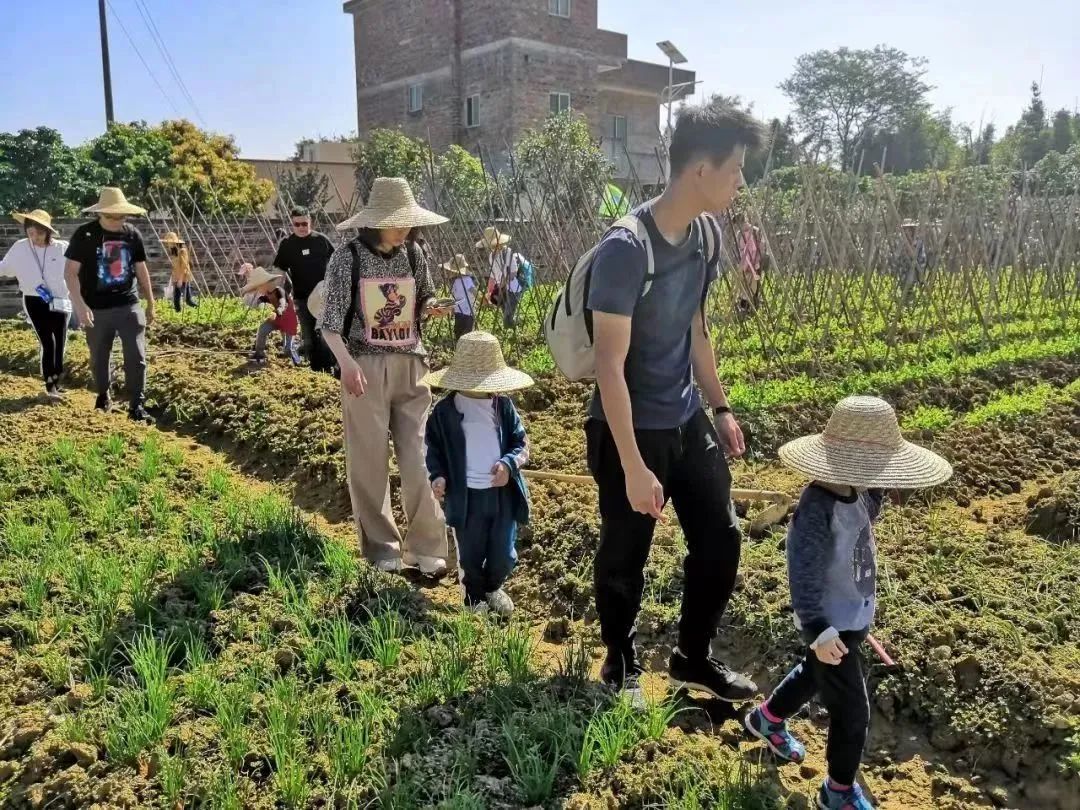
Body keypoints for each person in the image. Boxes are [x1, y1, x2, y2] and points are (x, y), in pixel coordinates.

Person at [585, 101, 765, 701]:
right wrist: (634, 465)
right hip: (629, 426)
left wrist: (721, 407)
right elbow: (609, 363)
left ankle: (692, 656)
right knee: (626, 552)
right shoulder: (626, 249)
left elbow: (697, 331)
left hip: (686, 417)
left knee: (720, 536)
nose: (742, 180)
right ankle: (620, 661)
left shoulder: (707, 236)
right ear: (699, 171)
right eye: (736, 168)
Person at [744, 396, 951, 810]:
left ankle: (765, 720)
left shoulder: (859, 490)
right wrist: (818, 629)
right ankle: (836, 792)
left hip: (850, 620)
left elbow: (870, 512)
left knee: (811, 673)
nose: (881, 479)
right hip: (830, 623)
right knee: (853, 715)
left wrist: (889, 485)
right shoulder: (816, 510)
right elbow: (802, 576)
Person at [320, 177, 456, 575]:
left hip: (412, 364)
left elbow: (425, 295)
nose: (404, 230)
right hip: (366, 366)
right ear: (375, 220)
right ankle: (382, 549)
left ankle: (427, 545)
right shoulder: (348, 258)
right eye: (397, 222)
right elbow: (330, 323)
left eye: (408, 222)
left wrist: (431, 308)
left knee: (421, 458)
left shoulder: (415, 254)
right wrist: (346, 364)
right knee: (369, 460)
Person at [423, 331, 532, 616]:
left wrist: (508, 465)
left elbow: (521, 444)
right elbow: (432, 448)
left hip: (501, 495)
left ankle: (493, 587)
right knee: (470, 552)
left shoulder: (503, 408)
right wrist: (438, 476)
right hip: (466, 496)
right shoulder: (445, 412)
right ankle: (473, 597)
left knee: (503, 552)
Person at [64, 187, 157, 423]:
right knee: (98, 357)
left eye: (121, 217)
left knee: (136, 356)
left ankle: (137, 404)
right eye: (111, 217)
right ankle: (103, 395)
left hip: (128, 304)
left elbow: (140, 269)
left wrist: (151, 301)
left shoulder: (132, 235)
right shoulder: (84, 235)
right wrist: (80, 306)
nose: (116, 221)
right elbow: (71, 274)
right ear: (100, 214)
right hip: (96, 308)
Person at [0, 210, 71, 399]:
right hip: (34, 300)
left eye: (39, 233)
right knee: (48, 341)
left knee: (60, 341)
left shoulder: (62, 247)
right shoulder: (20, 247)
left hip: (59, 300)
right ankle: (50, 385)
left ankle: (57, 381)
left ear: (48, 231)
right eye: (30, 233)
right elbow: (3, 268)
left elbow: (78, 269)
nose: (34, 238)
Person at [273, 208, 335, 372]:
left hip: (323, 295)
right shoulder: (287, 245)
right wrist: (277, 293)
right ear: (292, 224)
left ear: (310, 222)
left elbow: (336, 261)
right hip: (302, 297)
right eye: (297, 224)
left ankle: (329, 368)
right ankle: (316, 369)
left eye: (304, 223)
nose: (301, 227)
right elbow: (280, 271)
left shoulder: (321, 240)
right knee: (308, 336)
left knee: (325, 333)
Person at [242, 266, 301, 365]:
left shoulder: (278, 291)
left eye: (259, 287)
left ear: (265, 284)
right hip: (278, 319)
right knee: (263, 329)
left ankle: (296, 361)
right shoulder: (267, 294)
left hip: (289, 320)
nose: (258, 290)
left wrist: (281, 308)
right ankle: (259, 353)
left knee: (288, 347)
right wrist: (258, 302)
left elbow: (282, 300)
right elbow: (263, 299)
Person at [477, 226, 523, 328]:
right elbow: (493, 276)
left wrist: (504, 282)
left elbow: (514, 272)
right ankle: (516, 323)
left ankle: (513, 329)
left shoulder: (507, 252)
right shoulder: (491, 256)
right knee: (505, 313)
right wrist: (490, 292)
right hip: (500, 290)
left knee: (507, 317)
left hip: (512, 289)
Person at [443, 254, 478, 339]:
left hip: (467, 313)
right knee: (458, 333)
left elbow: (475, 293)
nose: (448, 272)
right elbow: (454, 297)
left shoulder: (467, 280)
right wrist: (452, 308)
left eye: (450, 271)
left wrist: (482, 299)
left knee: (466, 336)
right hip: (459, 312)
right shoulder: (456, 281)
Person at [162, 232, 198, 312]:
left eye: (169, 242)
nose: (168, 244)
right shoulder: (174, 252)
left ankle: (199, 309)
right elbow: (175, 267)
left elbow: (184, 267)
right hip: (176, 277)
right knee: (176, 298)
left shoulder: (182, 251)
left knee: (188, 300)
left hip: (184, 278)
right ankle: (177, 312)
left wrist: (180, 280)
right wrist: (173, 277)